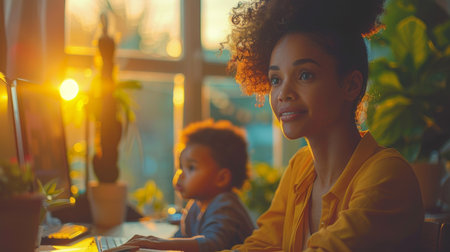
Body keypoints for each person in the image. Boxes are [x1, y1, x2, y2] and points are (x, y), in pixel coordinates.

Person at [221, 0, 424, 251]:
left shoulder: (386, 175)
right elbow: (262, 245)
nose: (283, 93)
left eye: (305, 75)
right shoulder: (300, 168)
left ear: (350, 85)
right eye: (275, 79)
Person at [120, 119, 255, 252]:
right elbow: (180, 239)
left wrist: (159, 243)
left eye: (191, 167)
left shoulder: (226, 205)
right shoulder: (196, 206)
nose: (180, 175)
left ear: (222, 178)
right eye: (180, 167)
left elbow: (212, 244)